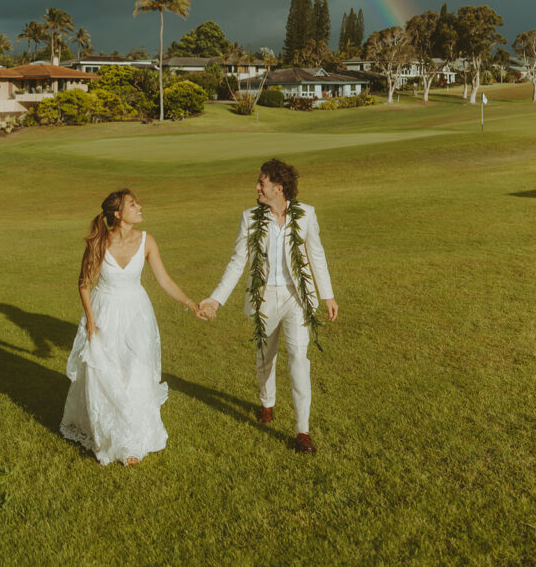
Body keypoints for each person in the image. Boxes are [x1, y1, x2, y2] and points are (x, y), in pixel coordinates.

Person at [199, 158, 338, 454]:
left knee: (299, 360)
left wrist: (327, 295)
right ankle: (267, 403)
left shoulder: (306, 215)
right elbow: (238, 262)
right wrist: (215, 299)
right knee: (265, 357)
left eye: (262, 183)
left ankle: (303, 431)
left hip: (296, 297)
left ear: (279, 187)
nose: (257, 188)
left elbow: (317, 254)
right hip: (264, 299)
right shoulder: (250, 217)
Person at [60, 188, 201, 465]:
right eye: (133, 205)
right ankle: (114, 438)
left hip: (137, 314)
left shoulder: (148, 241)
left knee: (136, 371)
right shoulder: (99, 242)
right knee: (108, 375)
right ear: (117, 214)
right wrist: (90, 319)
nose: (140, 207)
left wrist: (191, 304)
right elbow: (84, 284)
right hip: (105, 314)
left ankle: (135, 439)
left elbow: (164, 280)